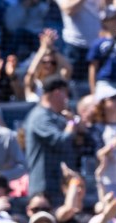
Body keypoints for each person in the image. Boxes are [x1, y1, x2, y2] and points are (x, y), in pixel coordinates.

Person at [24, 74, 81, 205]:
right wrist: (71, 124)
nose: (67, 99)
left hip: (57, 185)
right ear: (57, 93)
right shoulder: (40, 116)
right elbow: (60, 141)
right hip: (44, 188)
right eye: (65, 94)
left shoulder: (55, 116)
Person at [25, 29, 74, 102]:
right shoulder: (35, 83)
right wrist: (43, 48)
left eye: (52, 62)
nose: (48, 65)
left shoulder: (59, 80)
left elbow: (68, 68)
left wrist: (52, 48)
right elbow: (31, 73)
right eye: (44, 62)